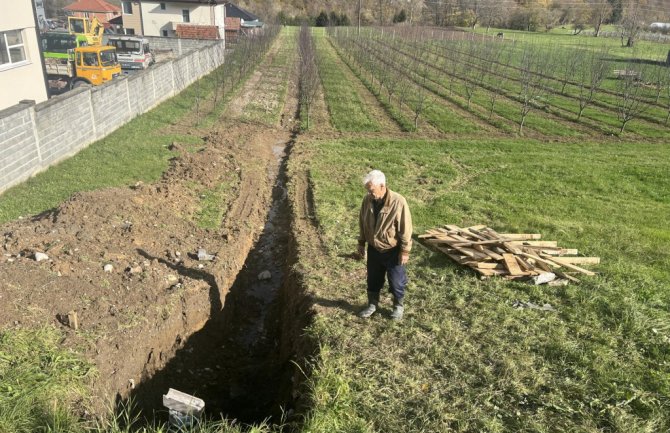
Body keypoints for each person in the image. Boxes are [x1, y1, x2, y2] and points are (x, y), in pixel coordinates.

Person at [357, 170, 413, 320]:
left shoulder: (398, 201)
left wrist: (405, 251)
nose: (370, 193)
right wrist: (361, 242)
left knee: (396, 281)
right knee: (373, 279)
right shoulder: (367, 200)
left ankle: (398, 306)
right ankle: (372, 304)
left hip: (393, 251)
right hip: (374, 249)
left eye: (372, 190)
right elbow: (362, 222)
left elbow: (405, 228)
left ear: (382, 185)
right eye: (368, 190)